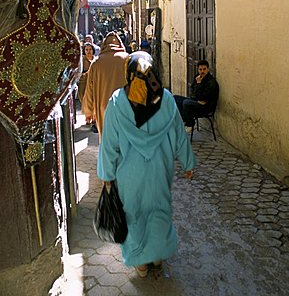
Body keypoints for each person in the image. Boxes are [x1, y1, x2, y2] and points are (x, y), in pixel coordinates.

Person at [97, 51, 196, 278]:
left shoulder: (117, 103)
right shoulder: (167, 99)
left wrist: (107, 174)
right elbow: (179, 134)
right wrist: (188, 162)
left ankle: (141, 263)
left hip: (129, 174)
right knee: (159, 209)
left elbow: (109, 144)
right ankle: (157, 257)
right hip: (159, 170)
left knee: (134, 213)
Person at [82, 31, 128, 138]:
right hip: (125, 107)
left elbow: (89, 89)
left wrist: (88, 111)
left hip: (104, 108)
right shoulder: (128, 59)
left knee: (106, 140)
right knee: (125, 139)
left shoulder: (96, 63)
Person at [174, 59, 219, 131]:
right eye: (200, 69)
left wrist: (199, 84)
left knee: (186, 103)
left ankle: (190, 123)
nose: (202, 71)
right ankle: (184, 120)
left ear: (208, 69)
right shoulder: (198, 77)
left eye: (204, 69)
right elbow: (193, 92)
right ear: (198, 69)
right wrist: (196, 96)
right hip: (197, 101)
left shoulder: (211, 82)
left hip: (206, 107)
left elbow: (203, 97)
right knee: (175, 98)